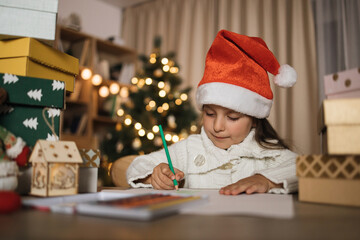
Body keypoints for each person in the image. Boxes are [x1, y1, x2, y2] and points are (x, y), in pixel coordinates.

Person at [126, 29, 298, 195]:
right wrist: (153, 176)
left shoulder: (268, 152)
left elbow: (303, 169)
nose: (217, 126)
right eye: (210, 114)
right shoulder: (188, 149)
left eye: (232, 117)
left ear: (254, 119)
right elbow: (136, 166)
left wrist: (266, 180)